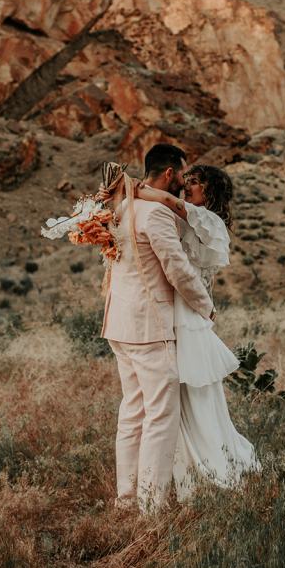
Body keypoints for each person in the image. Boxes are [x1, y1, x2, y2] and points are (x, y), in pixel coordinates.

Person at [134, 164, 260, 500]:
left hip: (190, 315)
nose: (188, 186)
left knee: (195, 395)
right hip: (179, 310)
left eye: (196, 182)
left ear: (212, 191)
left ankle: (213, 467)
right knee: (180, 398)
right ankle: (188, 474)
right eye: (187, 180)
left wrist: (133, 188)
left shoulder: (208, 221)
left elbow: (168, 202)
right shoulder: (189, 218)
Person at [101, 143, 215, 512]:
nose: (183, 182)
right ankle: (151, 507)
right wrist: (206, 306)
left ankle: (126, 498)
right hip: (150, 325)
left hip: (118, 322)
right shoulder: (156, 215)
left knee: (132, 411)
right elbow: (176, 268)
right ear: (170, 174)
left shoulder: (122, 209)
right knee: (160, 416)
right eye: (182, 174)